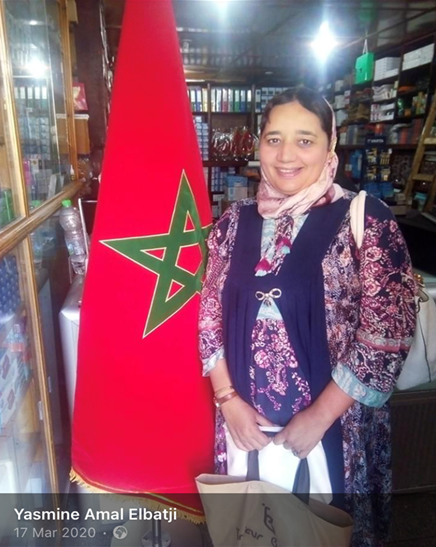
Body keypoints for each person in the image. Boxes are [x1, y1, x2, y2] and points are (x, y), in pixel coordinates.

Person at [198, 86, 417, 547]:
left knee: (326, 530)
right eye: (274, 139)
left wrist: (318, 418)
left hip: (334, 430)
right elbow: (209, 316)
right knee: (250, 530)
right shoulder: (234, 223)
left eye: (304, 140)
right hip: (246, 429)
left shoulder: (365, 220)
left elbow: (386, 337)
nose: (286, 155)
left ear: (330, 143)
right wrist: (228, 401)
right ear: (259, 143)